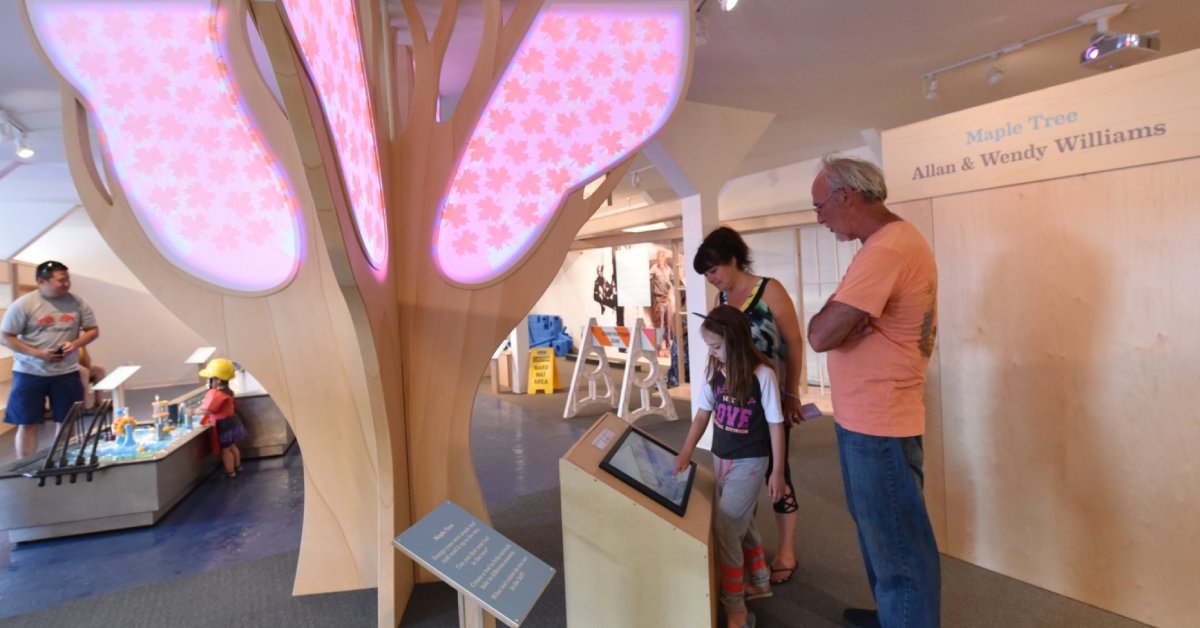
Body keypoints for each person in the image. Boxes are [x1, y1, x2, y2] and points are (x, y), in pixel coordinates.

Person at [806, 155, 940, 628]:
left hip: (878, 421)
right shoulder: (883, 245)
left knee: (899, 546)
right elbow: (831, 325)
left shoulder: (885, 250)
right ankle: (894, 615)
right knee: (883, 534)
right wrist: (846, 318)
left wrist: (844, 320)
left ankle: (903, 616)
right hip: (870, 417)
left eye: (821, 206)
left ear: (847, 196)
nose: (819, 218)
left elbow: (820, 334)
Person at [693, 226, 807, 585]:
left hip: (770, 396)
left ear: (732, 259)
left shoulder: (769, 289)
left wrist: (790, 393)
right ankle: (746, 546)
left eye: (713, 271)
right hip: (735, 403)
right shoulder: (722, 303)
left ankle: (786, 550)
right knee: (741, 477)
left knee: (778, 472)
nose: (711, 280)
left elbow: (793, 342)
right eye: (707, 274)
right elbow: (718, 348)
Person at [674, 305, 785, 628]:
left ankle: (735, 607)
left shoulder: (763, 376)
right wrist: (685, 452)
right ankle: (760, 580)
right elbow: (701, 416)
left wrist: (777, 472)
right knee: (741, 521)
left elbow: (776, 425)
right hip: (721, 458)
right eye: (708, 346)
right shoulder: (715, 374)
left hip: (750, 462)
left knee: (725, 526)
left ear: (735, 340)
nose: (712, 352)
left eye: (717, 346)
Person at [1, 260, 99, 458]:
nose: (66, 284)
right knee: (27, 422)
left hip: (66, 372)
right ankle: (25, 464)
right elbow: (5, 336)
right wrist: (37, 353)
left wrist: (76, 344)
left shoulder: (78, 303)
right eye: (61, 280)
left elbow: (93, 330)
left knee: (67, 419)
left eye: (67, 279)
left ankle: (62, 460)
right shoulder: (24, 305)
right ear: (41, 282)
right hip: (29, 372)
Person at [196, 358, 246, 478]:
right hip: (233, 422)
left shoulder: (217, 394)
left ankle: (230, 471)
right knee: (232, 446)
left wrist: (193, 412)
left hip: (223, 426)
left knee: (225, 450)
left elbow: (209, 410)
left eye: (210, 379)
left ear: (217, 380)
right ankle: (238, 466)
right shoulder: (228, 391)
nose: (209, 381)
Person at [648, 249, 675, 356]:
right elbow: (649, 281)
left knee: (668, 325)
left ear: (664, 258)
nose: (661, 259)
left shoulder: (669, 269)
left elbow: (673, 280)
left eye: (662, 257)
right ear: (657, 258)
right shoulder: (654, 269)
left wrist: (670, 285)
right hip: (658, 300)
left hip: (667, 299)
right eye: (659, 257)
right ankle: (658, 347)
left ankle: (668, 347)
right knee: (660, 325)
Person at [78, 346, 107, 411]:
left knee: (99, 370)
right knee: (83, 371)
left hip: (75, 371)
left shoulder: (77, 344)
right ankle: (87, 406)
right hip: (63, 371)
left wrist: (83, 346)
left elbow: (87, 364)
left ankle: (99, 404)